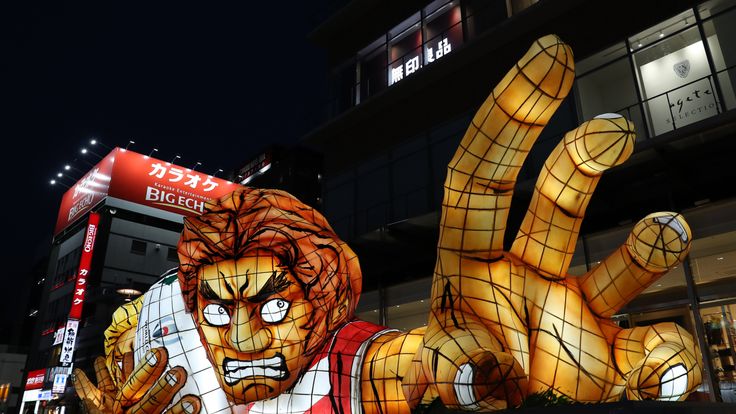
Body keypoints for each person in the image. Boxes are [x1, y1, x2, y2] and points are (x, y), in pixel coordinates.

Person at [74, 35, 701, 413]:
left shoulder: (342, 368)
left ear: (321, 310)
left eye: (271, 308)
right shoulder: (163, 378)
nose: (244, 338)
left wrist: (497, 368)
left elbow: (412, 364)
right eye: (217, 311)